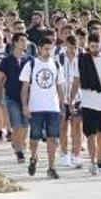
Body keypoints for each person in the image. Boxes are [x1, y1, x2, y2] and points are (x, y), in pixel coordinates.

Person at [19, 37, 66, 179]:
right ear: (39, 48)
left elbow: (60, 87)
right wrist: (25, 105)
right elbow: (24, 88)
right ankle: (33, 157)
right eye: (45, 49)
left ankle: (51, 167)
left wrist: (62, 106)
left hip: (53, 106)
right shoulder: (31, 64)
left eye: (50, 49)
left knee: (53, 138)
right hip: (36, 107)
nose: (48, 51)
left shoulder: (56, 64)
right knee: (35, 137)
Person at [73, 33, 101, 176]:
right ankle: (93, 162)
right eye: (91, 46)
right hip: (88, 102)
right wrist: (71, 98)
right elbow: (76, 80)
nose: (94, 48)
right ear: (88, 45)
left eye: (96, 45)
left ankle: (100, 162)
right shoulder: (81, 60)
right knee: (90, 134)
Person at [0, 33, 32, 163]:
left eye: (26, 40)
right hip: (11, 97)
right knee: (17, 124)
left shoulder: (30, 60)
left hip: (27, 98)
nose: (25, 43)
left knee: (25, 125)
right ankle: (19, 152)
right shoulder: (6, 61)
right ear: (15, 43)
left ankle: (20, 143)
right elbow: (0, 80)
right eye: (22, 40)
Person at [58, 35, 82, 168]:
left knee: (77, 126)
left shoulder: (82, 58)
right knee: (63, 126)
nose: (73, 50)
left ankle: (76, 155)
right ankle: (64, 152)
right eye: (71, 47)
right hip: (63, 98)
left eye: (76, 47)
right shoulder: (59, 58)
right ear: (66, 45)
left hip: (78, 98)